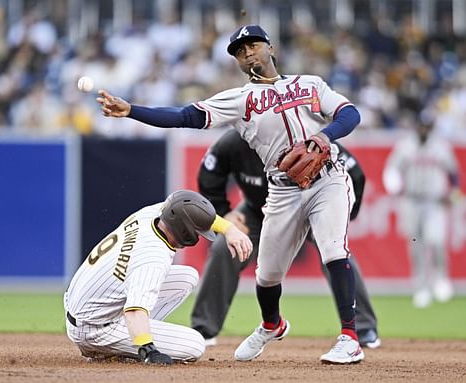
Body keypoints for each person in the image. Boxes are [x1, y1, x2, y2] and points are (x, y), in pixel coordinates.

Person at [96, 24, 364, 364]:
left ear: (270, 48)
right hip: (282, 190)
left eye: (252, 45)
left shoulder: (309, 84)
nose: (247, 53)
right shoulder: (239, 100)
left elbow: (349, 113)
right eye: (239, 51)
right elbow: (184, 116)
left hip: (328, 179)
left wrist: (325, 136)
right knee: (266, 275)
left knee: (333, 250)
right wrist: (133, 110)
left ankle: (350, 337)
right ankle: (272, 325)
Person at [190, 129, 381, 348]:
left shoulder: (302, 134)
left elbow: (354, 171)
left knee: (336, 251)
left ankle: (363, 327)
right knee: (225, 246)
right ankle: (203, 329)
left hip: (308, 208)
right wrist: (225, 213)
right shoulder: (235, 141)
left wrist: (345, 213)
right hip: (257, 211)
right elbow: (208, 175)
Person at [64, 189, 253, 365]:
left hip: (84, 303)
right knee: (195, 345)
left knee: (187, 277)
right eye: (197, 231)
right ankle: (112, 347)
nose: (199, 235)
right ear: (185, 230)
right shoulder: (153, 257)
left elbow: (186, 208)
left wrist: (229, 229)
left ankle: (128, 334)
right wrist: (148, 349)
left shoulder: (151, 215)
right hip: (94, 329)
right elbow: (134, 310)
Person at [383, 112, 460, 308]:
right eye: (422, 126)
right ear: (417, 126)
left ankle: (441, 279)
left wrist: (454, 192)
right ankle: (421, 287)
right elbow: (391, 170)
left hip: (435, 201)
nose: (424, 130)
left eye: (428, 126)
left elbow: (453, 172)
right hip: (411, 200)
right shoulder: (405, 146)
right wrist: (394, 187)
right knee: (416, 245)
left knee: (436, 241)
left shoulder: (441, 147)